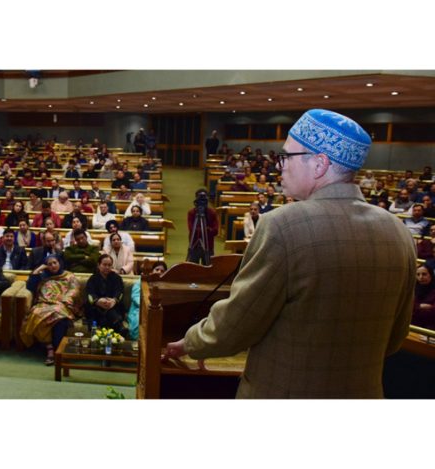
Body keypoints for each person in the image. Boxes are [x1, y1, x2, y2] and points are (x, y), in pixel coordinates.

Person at [164, 109, 416, 398]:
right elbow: (396, 338)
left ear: (319, 164)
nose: (279, 166)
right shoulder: (398, 232)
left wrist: (190, 342)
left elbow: (236, 325)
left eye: (287, 156)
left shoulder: (283, 225)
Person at [20, 255, 81, 365]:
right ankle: (50, 349)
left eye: (55, 263)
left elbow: (74, 289)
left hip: (62, 304)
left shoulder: (69, 275)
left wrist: (65, 299)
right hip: (44, 303)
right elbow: (30, 287)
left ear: (59, 262)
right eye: (49, 264)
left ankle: (58, 350)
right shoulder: (42, 276)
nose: (53, 266)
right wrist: (38, 270)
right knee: (36, 314)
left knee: (59, 316)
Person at [85, 254, 127, 336]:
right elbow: (90, 294)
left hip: (113, 306)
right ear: (99, 265)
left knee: (112, 310)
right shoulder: (93, 278)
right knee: (94, 309)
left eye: (109, 265)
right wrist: (98, 301)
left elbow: (120, 292)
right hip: (97, 306)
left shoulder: (117, 278)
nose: (107, 267)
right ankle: (119, 326)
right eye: (104, 265)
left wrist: (114, 301)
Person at [127, 261, 167, 341]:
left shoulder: (166, 284)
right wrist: (148, 305)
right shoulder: (142, 281)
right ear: (152, 271)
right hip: (140, 308)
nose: (159, 272)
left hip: (159, 310)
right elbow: (135, 297)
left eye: (162, 271)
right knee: (139, 323)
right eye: (157, 269)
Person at [186, 189, 219, 264]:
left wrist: (201, 230)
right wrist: (207, 229)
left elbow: (216, 231)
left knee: (208, 269)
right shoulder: (192, 213)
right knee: (193, 269)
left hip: (208, 246)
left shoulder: (212, 213)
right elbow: (191, 229)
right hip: (194, 245)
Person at [412, 265, 435, 330]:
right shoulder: (412, 289)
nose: (421, 277)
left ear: (431, 275)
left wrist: (415, 308)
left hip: (430, 327)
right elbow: (407, 308)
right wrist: (420, 306)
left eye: (424, 274)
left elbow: (432, 313)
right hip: (413, 325)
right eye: (418, 274)